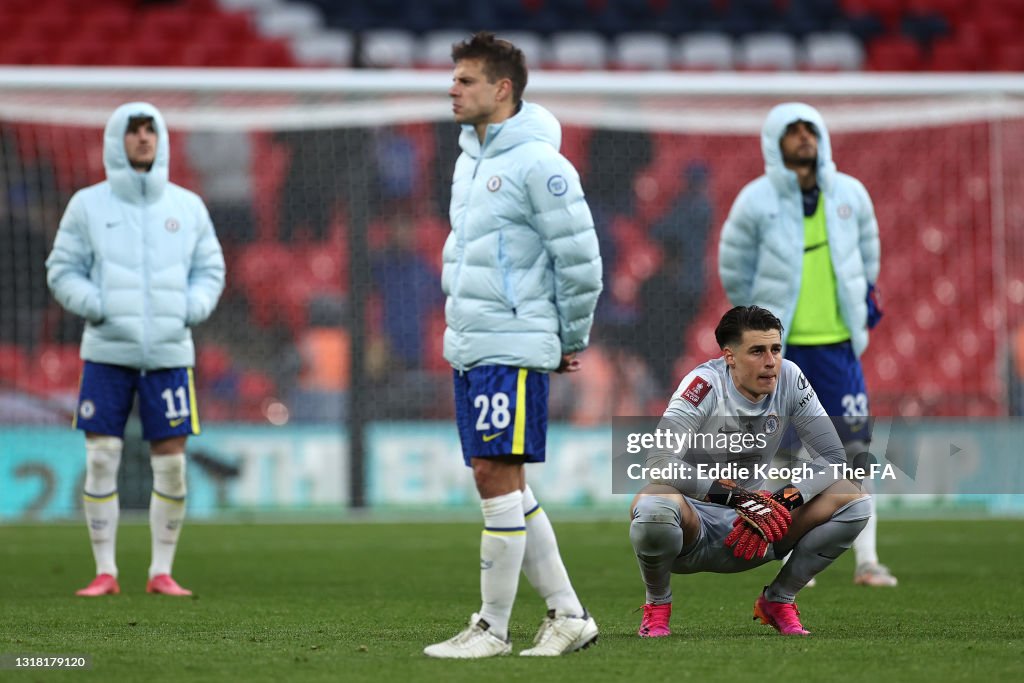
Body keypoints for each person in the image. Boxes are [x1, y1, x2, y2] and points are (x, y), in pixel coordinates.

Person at [423, 32, 603, 659]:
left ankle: (492, 629)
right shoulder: (468, 160)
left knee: (496, 476)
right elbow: (462, 253)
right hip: (474, 341)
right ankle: (568, 614)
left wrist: (567, 337)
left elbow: (580, 262)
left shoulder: (540, 165)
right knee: (499, 477)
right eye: (454, 78)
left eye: (466, 80)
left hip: (515, 339)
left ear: (502, 90)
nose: (452, 87)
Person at [46, 102, 225, 597]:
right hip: (106, 351)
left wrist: (191, 308)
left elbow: (211, 269)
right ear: (115, 140)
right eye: (134, 131)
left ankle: (160, 571)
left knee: (171, 463)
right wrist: (96, 305)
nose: (143, 138)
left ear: (162, 138)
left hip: (170, 354)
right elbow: (61, 269)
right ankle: (105, 571)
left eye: (150, 130)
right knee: (102, 457)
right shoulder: (88, 205)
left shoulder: (187, 207)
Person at [718, 102, 896, 587]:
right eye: (792, 130)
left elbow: (869, 250)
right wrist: (755, 325)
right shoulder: (755, 200)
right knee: (779, 453)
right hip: (782, 349)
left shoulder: (850, 194)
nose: (802, 137)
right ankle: (788, 551)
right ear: (775, 141)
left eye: (809, 129)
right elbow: (732, 264)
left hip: (837, 347)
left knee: (856, 451)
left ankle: (868, 560)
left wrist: (861, 301)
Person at [629, 305, 872, 638]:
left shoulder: (790, 378)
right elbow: (658, 460)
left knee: (854, 499)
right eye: (757, 351)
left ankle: (779, 599)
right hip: (692, 528)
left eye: (775, 349)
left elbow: (832, 456)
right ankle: (657, 606)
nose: (770, 361)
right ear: (729, 356)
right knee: (653, 503)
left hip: (761, 527)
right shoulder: (702, 386)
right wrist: (734, 496)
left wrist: (785, 500)